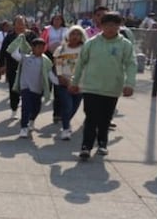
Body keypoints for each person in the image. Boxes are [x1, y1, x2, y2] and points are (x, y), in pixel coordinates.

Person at [70, 12, 136, 161]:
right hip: (91, 87)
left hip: (112, 88)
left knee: (105, 118)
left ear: (119, 26)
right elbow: (80, 63)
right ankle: (86, 147)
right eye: (107, 25)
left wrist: (130, 84)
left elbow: (131, 64)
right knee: (91, 117)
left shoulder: (125, 45)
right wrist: (75, 82)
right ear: (101, 26)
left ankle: (102, 143)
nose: (111, 28)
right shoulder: (91, 43)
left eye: (114, 25)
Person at [9, 37, 53, 138]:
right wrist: (19, 40)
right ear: (32, 48)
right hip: (26, 88)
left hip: (38, 89)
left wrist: (58, 82)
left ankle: (31, 120)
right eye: (38, 47)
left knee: (36, 108)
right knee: (26, 107)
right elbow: (14, 53)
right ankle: (23, 128)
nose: (41, 49)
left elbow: (50, 74)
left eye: (43, 47)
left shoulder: (45, 61)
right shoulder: (25, 58)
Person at [52, 25, 86, 140]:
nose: (75, 36)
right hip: (64, 83)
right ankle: (66, 129)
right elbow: (57, 64)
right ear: (68, 35)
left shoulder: (85, 49)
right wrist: (61, 76)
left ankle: (66, 121)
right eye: (73, 34)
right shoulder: (61, 49)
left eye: (78, 34)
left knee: (73, 108)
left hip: (80, 84)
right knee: (67, 106)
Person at [0, 16, 31, 120]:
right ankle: (14, 109)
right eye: (18, 23)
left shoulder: (31, 35)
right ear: (14, 24)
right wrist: (2, 65)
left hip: (29, 66)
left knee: (28, 90)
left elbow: (38, 48)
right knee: (14, 88)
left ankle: (27, 112)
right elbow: (3, 51)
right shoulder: (10, 36)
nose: (20, 25)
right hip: (13, 67)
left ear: (25, 24)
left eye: (22, 22)